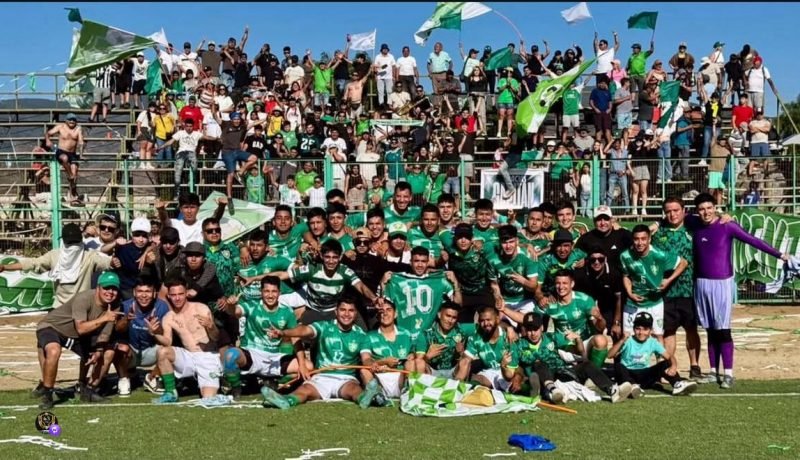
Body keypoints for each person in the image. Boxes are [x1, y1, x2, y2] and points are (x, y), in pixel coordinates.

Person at [678, 193, 788, 389]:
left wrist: (780, 255)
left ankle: (728, 373)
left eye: (709, 208)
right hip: (701, 283)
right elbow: (675, 215)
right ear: (697, 211)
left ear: (715, 207)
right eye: (702, 209)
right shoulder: (694, 223)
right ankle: (713, 371)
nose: (706, 212)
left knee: (723, 329)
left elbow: (753, 241)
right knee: (710, 329)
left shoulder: (726, 225)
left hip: (722, 282)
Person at [260, 297, 382, 409]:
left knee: (353, 390)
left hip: (346, 378)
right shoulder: (324, 327)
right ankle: (286, 401)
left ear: (355, 314)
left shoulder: (361, 335)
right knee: (305, 390)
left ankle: (364, 398)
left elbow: (366, 358)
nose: (346, 314)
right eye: (343, 310)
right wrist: (283, 333)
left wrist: (371, 363)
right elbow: (304, 330)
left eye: (351, 311)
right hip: (322, 376)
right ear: (336, 311)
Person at [34, 271, 122, 409]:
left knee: (107, 352)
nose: (110, 292)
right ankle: (47, 393)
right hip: (52, 327)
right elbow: (81, 328)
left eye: (114, 289)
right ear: (98, 288)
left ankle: (86, 388)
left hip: (76, 335)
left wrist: (98, 350)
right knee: (54, 350)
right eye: (106, 288)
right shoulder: (84, 298)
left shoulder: (115, 304)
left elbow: (105, 333)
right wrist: (105, 318)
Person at [220, 276, 311, 399]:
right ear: (261, 292)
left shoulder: (287, 312)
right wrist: (231, 305)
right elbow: (235, 312)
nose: (270, 295)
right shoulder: (252, 306)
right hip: (252, 354)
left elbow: (296, 339)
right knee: (230, 355)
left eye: (274, 291)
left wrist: (302, 364)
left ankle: (273, 383)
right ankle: (236, 387)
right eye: (266, 291)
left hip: (275, 358)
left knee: (308, 367)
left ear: (280, 293)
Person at [513, 312, 631, 404]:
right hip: (542, 379)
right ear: (524, 330)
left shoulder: (551, 337)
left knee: (587, 364)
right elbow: (515, 368)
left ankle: (612, 390)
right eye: (529, 330)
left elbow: (578, 352)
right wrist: (516, 376)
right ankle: (553, 390)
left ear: (542, 328)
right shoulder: (518, 345)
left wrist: (578, 340)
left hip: (562, 371)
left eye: (535, 329)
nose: (532, 333)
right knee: (539, 363)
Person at [652, 198, 707, 381]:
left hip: (689, 289)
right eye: (668, 211)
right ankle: (668, 367)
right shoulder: (658, 233)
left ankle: (695, 365)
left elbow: (712, 218)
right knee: (668, 331)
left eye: (676, 210)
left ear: (684, 210)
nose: (672, 214)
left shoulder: (693, 230)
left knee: (691, 329)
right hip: (666, 292)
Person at [149, 277, 225, 405]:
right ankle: (170, 392)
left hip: (207, 356)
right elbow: (167, 342)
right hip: (188, 356)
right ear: (168, 296)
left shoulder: (201, 308)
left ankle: (219, 386)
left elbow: (216, 337)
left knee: (208, 399)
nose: (177, 298)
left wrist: (211, 327)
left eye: (180, 294)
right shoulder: (169, 317)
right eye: (173, 295)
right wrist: (155, 333)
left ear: (186, 294)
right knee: (162, 352)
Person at [513, 269, 608, 368]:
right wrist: (504, 309)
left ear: (572, 284)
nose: (561, 287)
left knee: (601, 340)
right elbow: (527, 318)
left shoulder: (585, 300)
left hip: (585, 343)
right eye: (558, 283)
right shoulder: (549, 303)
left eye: (564, 283)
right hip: (564, 345)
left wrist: (600, 317)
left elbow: (600, 328)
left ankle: (594, 374)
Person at [0, 223, 111, 308]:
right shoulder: (59, 256)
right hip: (65, 307)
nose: (73, 247)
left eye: (74, 243)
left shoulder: (87, 256)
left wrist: (5, 267)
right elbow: (32, 263)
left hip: (76, 308)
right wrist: (5, 267)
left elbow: (32, 263)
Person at [619, 225, 688, 340]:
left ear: (649, 239)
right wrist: (630, 293)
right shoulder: (625, 256)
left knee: (657, 336)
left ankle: (661, 359)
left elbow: (683, 263)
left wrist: (668, 280)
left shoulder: (659, 255)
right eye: (636, 239)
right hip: (633, 303)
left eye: (643, 239)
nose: (640, 243)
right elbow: (626, 276)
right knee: (627, 338)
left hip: (654, 303)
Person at [608, 312, 698, 397]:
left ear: (651, 331)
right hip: (628, 374)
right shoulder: (628, 340)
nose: (641, 332)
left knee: (666, 363)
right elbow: (610, 355)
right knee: (618, 366)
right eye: (638, 328)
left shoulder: (653, 342)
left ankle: (677, 384)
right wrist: (621, 340)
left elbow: (669, 356)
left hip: (644, 374)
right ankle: (632, 386)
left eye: (645, 329)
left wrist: (674, 366)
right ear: (633, 329)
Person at [381, 246, 460, 339]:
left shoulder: (439, 280)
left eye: (423, 261)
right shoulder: (397, 280)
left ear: (428, 263)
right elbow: (383, 307)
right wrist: (383, 284)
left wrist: (455, 283)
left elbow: (458, 303)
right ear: (410, 262)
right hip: (404, 337)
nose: (420, 265)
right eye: (416, 261)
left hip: (428, 337)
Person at [115, 277, 170, 397]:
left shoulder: (162, 307)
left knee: (171, 349)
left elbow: (167, 336)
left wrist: (156, 331)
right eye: (140, 291)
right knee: (119, 347)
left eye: (148, 292)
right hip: (132, 351)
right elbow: (117, 329)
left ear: (154, 293)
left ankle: (152, 377)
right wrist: (126, 320)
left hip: (153, 350)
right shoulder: (125, 306)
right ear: (134, 292)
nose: (144, 296)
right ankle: (124, 378)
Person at [359, 299, 416, 405]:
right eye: (381, 311)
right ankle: (378, 396)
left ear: (395, 314)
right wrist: (382, 362)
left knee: (412, 363)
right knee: (364, 370)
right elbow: (366, 360)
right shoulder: (369, 336)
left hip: (401, 377)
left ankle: (408, 393)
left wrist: (411, 356)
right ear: (377, 316)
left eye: (389, 310)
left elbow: (413, 355)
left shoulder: (406, 334)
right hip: (380, 377)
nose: (384, 313)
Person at [444, 223, 503, 323]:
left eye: (467, 237)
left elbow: (507, 243)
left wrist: (527, 245)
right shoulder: (450, 248)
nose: (463, 241)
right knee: (462, 325)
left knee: (490, 322)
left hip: (483, 292)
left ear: (472, 238)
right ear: (454, 239)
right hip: (463, 294)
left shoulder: (483, 248)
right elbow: (438, 227)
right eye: (460, 237)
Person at [455, 306, 517, 390]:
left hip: (509, 371)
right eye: (482, 321)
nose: (485, 324)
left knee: (517, 381)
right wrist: (457, 381)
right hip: (489, 372)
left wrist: (503, 366)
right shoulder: (476, 338)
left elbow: (510, 374)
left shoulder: (509, 337)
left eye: (488, 320)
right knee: (475, 379)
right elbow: (466, 360)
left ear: (497, 319)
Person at [486, 225, 540, 317]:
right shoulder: (493, 260)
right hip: (506, 300)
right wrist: (498, 297)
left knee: (527, 326)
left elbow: (533, 286)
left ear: (517, 241)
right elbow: (494, 284)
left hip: (525, 300)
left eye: (511, 242)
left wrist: (522, 280)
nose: (508, 246)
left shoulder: (527, 255)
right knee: (501, 325)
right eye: (504, 243)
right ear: (500, 242)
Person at [573, 246, 625, 341]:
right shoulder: (580, 274)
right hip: (587, 308)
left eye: (600, 259)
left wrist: (616, 323)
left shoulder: (614, 274)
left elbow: (619, 299)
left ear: (605, 259)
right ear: (588, 260)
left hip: (608, 308)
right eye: (593, 260)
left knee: (614, 333)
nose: (597, 262)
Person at [413, 301, 474, 378]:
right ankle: (423, 388)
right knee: (419, 362)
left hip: (453, 372)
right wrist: (428, 356)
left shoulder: (461, 329)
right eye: (448, 316)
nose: (450, 320)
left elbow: (485, 324)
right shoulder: (426, 334)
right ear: (439, 315)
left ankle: (458, 388)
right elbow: (419, 361)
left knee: (466, 361)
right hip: (432, 372)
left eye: (454, 317)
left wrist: (461, 353)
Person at [576, 205, 632, 271]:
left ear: (611, 220)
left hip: (618, 278)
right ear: (594, 221)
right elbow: (575, 258)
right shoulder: (586, 239)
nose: (602, 223)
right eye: (599, 219)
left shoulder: (622, 235)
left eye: (606, 219)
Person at [156, 193, 227, 245]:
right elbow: (164, 220)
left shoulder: (203, 224)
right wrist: (161, 209)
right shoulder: (175, 223)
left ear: (198, 209)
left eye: (192, 207)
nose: (189, 211)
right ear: (181, 209)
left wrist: (221, 206)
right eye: (186, 207)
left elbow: (215, 218)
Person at [45, 113, 84, 205]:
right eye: (70, 120)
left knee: (75, 172)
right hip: (62, 151)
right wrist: (48, 140)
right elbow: (48, 133)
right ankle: (69, 175)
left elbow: (81, 142)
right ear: (66, 121)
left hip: (73, 153)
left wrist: (81, 154)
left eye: (74, 120)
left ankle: (72, 195)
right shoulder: (60, 127)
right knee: (64, 158)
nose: (72, 121)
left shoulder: (78, 129)